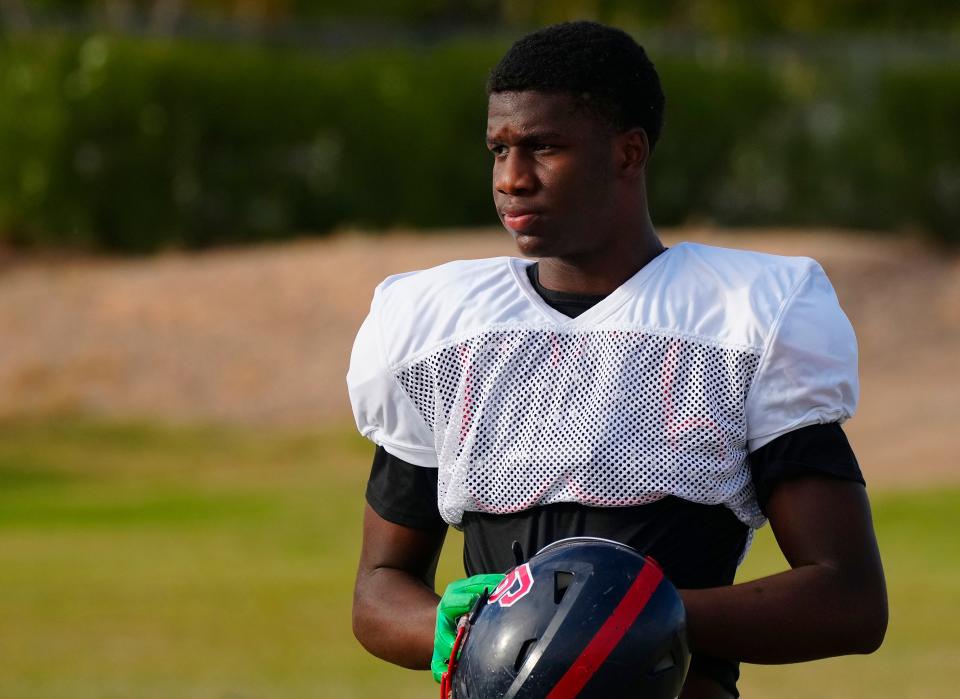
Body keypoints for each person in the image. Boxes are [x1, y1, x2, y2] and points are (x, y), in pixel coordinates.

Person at [348, 20, 887, 699]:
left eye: (544, 147)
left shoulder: (745, 315)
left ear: (628, 153)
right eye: (500, 148)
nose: (512, 179)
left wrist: (618, 621)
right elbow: (377, 591)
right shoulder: (440, 328)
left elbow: (849, 598)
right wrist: (453, 628)